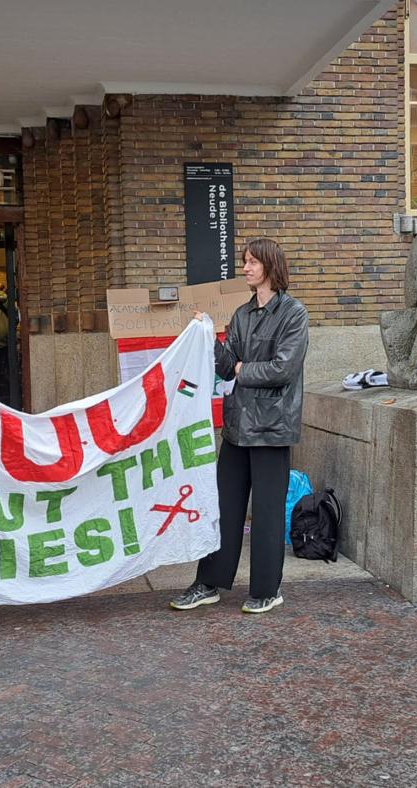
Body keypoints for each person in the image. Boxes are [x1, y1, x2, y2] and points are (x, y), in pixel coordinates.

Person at [170, 238, 309, 614]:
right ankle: (208, 582)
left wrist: (239, 369)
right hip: (236, 426)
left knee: (265, 513)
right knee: (223, 508)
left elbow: (283, 368)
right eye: (244, 262)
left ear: (269, 266)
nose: (245, 268)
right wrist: (208, 337)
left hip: (271, 427)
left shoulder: (293, 313)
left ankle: (266, 589)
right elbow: (225, 363)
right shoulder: (243, 314)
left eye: (251, 262)